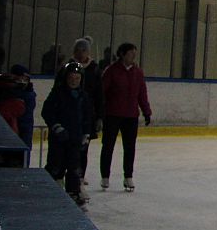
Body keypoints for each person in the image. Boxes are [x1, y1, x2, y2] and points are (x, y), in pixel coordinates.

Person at [98, 42, 152, 191]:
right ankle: (105, 176)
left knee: (129, 147)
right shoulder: (112, 71)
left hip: (131, 115)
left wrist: (146, 111)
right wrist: (100, 113)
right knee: (108, 145)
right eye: (130, 53)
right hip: (112, 114)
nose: (133, 56)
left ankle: (128, 176)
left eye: (134, 53)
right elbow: (102, 92)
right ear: (122, 54)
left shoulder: (138, 72)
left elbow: (142, 94)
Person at [42, 62, 94, 208]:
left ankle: (73, 191)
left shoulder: (83, 96)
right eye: (71, 78)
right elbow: (47, 112)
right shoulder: (57, 93)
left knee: (74, 166)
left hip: (75, 138)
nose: (74, 81)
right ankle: (52, 188)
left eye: (77, 78)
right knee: (55, 164)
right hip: (59, 138)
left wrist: (86, 134)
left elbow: (87, 117)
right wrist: (56, 127)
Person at [64, 38, 103, 169]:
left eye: (84, 50)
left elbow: (99, 94)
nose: (81, 53)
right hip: (68, 114)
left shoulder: (94, 69)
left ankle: (79, 174)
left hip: (87, 115)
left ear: (88, 52)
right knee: (66, 148)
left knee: (83, 148)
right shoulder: (67, 67)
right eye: (78, 50)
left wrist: (99, 116)